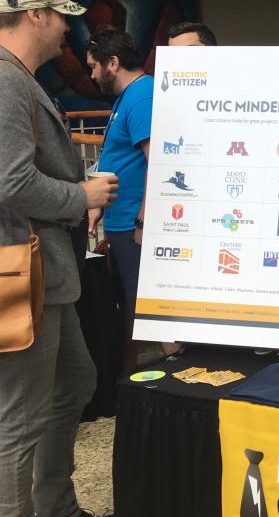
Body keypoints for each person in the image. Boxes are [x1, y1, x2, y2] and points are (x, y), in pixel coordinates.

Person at [0, 0, 118, 517]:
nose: (69, 31)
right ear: (36, 15)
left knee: (75, 381)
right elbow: (12, 182)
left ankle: (56, 504)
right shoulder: (6, 80)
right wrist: (83, 194)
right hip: (24, 274)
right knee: (21, 417)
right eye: (63, 17)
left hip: (46, 273)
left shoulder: (18, 78)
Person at [83, 28, 169, 365]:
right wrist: (98, 204)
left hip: (135, 223)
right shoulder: (128, 96)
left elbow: (158, 162)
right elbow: (120, 159)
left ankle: (175, 369)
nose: (90, 75)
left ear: (113, 63)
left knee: (149, 303)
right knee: (133, 301)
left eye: (93, 66)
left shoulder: (142, 95)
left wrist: (143, 221)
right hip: (121, 219)